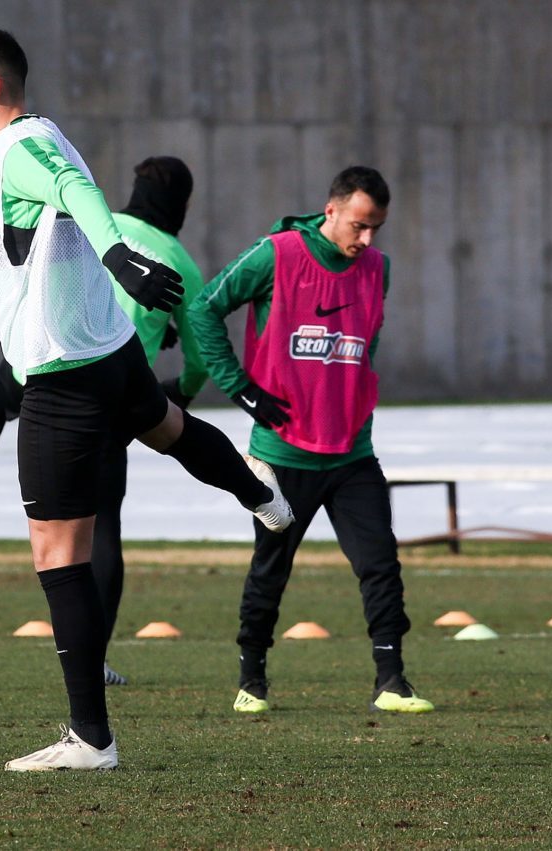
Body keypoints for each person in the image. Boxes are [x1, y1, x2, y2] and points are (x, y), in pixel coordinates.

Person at [0, 28, 293, 771]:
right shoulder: (10, 150)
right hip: (107, 351)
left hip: (62, 369)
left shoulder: (27, 144)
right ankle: (260, 492)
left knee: (58, 551)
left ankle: (91, 737)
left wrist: (119, 254)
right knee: (167, 425)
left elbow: (76, 190)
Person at [0, 156, 208, 688]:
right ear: (184, 205)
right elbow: (197, 361)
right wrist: (173, 398)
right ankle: (95, 657)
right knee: (102, 529)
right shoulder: (180, 261)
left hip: (44, 356)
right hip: (112, 391)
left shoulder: (95, 219)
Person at [186, 165, 434, 715]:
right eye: (359, 225)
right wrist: (243, 392)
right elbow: (203, 308)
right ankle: (252, 680)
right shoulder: (276, 253)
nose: (366, 240)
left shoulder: (378, 269)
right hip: (282, 453)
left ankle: (391, 680)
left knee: (380, 564)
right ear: (332, 210)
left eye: (376, 230)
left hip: (352, 452)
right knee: (270, 569)